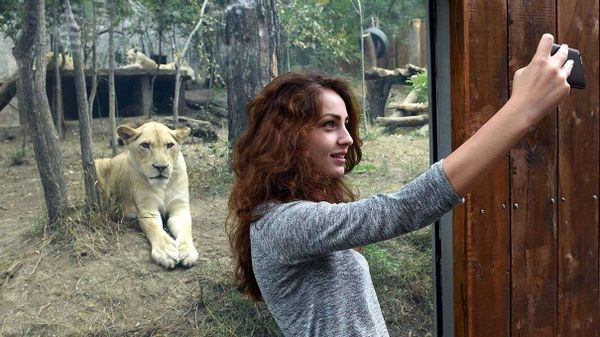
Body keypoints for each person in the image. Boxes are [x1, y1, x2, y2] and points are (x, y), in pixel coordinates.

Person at [227, 34, 573, 336]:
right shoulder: (280, 223)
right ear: (285, 137)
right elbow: (400, 210)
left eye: (346, 124)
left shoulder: (289, 219)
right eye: (329, 125)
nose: (347, 139)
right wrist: (521, 111)